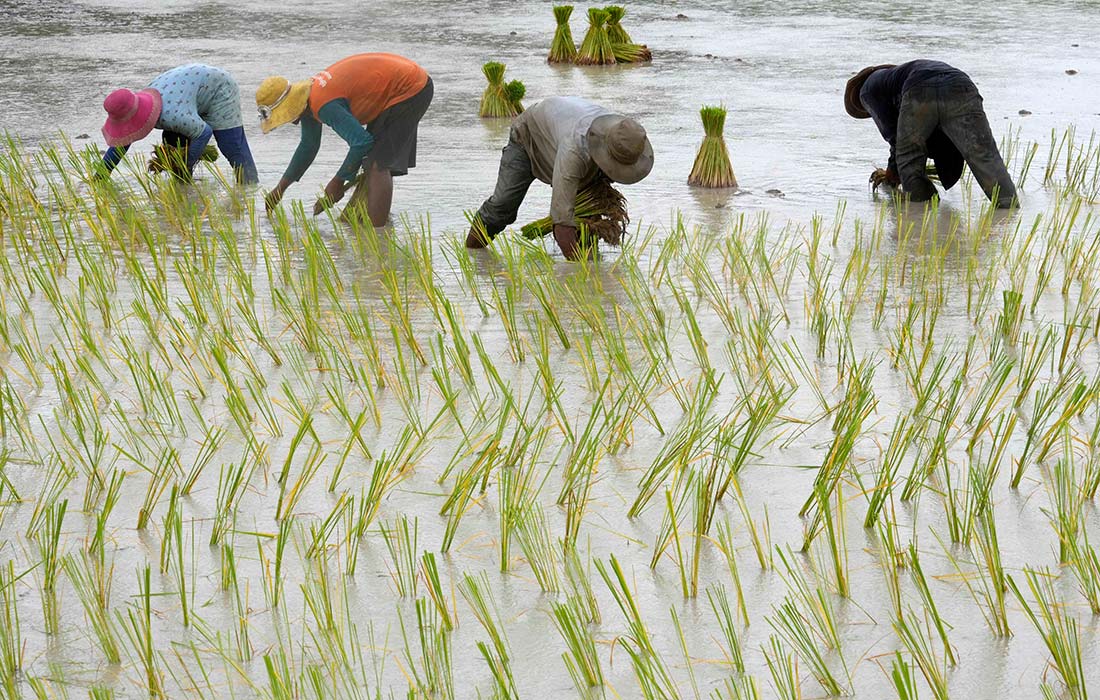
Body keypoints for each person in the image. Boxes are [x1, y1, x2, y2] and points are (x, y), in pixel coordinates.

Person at [256, 53, 433, 227]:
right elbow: (308, 146)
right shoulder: (308, 101)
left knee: (377, 164)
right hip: (397, 86)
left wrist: (338, 182)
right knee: (373, 160)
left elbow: (361, 142)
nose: (288, 122)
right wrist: (280, 189)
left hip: (410, 88)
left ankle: (377, 237)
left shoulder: (324, 104)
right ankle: (376, 224)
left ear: (290, 105)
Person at [467, 96, 653, 260]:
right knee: (503, 206)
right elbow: (561, 223)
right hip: (528, 137)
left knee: (586, 218)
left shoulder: (625, 136)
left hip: (560, 127)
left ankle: (590, 256)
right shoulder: (574, 152)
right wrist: (581, 271)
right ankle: (471, 254)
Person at [845, 60, 1017, 208]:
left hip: (920, 89)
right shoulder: (897, 76)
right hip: (962, 85)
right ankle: (1009, 210)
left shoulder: (866, 91)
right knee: (985, 155)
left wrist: (891, 173)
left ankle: (922, 207)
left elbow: (896, 137)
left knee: (909, 157)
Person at [99, 64, 258, 184]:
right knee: (174, 145)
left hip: (218, 86)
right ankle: (184, 184)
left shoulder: (173, 115)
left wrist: (183, 165)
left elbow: (204, 133)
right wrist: (100, 176)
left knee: (231, 146)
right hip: (188, 88)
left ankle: (250, 188)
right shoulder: (136, 106)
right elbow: (123, 141)